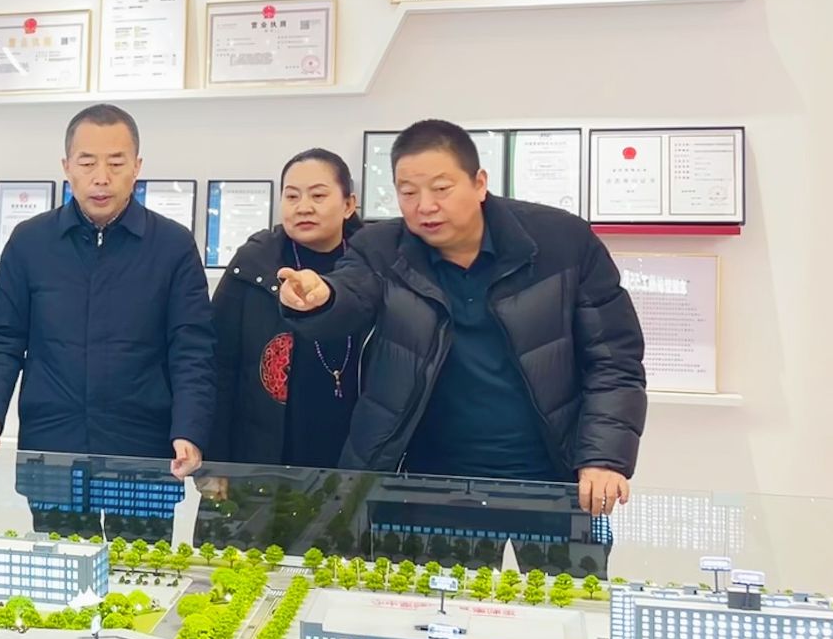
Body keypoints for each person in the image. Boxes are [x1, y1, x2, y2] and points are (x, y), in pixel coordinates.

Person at [275, 120, 647, 515]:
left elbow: (614, 359)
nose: (425, 206)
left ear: (479, 183)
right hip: (430, 479)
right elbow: (350, 295)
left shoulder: (563, 241)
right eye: (408, 192)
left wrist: (603, 457)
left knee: (566, 560)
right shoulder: (380, 249)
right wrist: (321, 297)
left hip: (554, 474)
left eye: (441, 189)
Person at [0, 104, 216, 478]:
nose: (101, 178)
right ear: (67, 167)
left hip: (143, 448)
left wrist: (189, 431)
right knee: (51, 522)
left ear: (137, 167)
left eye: (116, 163)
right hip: (51, 444)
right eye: (87, 163)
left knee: (141, 524)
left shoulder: (173, 245)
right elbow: (3, 339)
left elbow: (192, 349)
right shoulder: (30, 242)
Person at [210, 150, 363, 469]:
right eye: (292, 196)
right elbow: (218, 366)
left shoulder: (373, 265)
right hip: (265, 451)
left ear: (349, 204)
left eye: (318, 195)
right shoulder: (253, 265)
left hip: (356, 452)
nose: (303, 207)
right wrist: (215, 462)